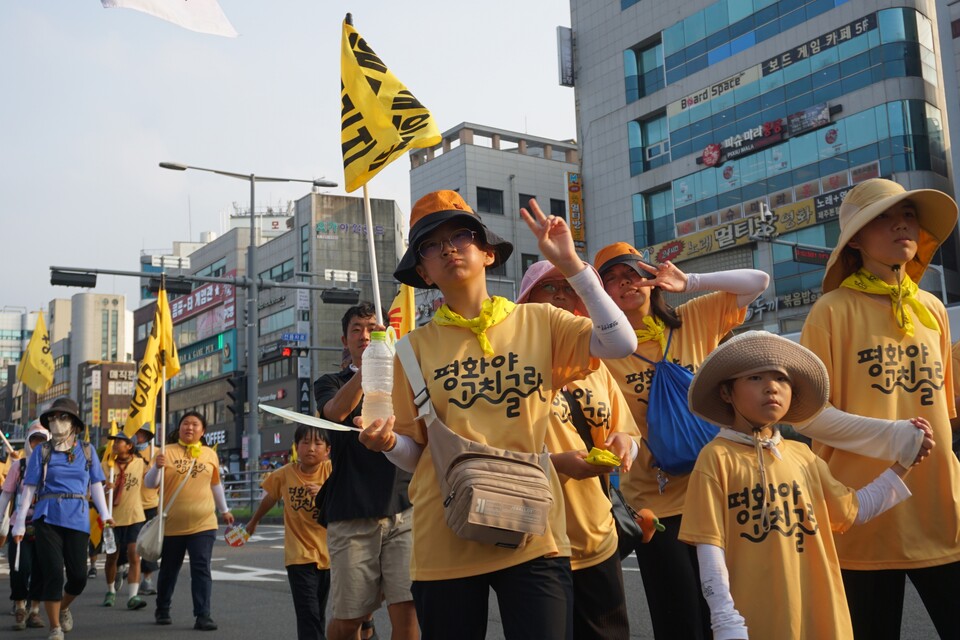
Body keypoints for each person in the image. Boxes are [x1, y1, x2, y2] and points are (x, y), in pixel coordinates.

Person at [360, 191, 638, 639]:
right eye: (431, 245)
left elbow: (620, 343)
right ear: (423, 272)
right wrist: (388, 442)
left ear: (487, 252)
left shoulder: (541, 321)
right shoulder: (409, 350)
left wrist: (572, 266)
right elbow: (418, 456)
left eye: (461, 235)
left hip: (534, 530)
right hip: (445, 533)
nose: (449, 248)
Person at [680, 331, 924, 638]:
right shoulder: (715, 457)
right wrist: (724, 618)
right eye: (755, 378)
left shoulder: (804, 456)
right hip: (753, 621)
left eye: (782, 380)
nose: (772, 387)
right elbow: (709, 546)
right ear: (726, 393)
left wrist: (904, 464)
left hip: (821, 614)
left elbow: (853, 511)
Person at [800, 178, 960, 639]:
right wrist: (891, 437)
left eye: (908, 216)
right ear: (857, 241)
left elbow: (944, 417)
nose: (901, 226)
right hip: (860, 513)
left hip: (939, 513)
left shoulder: (933, 308)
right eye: (884, 219)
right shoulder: (830, 310)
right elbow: (808, 414)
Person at [594, 241, 768, 639]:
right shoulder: (600, 350)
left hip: (718, 490)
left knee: (731, 609)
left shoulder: (693, 319)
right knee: (679, 617)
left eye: (633, 273)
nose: (626, 285)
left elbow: (758, 281)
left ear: (652, 279)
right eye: (613, 280)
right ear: (601, 294)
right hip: (653, 502)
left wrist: (689, 281)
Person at [516, 259, 641, 640]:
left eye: (569, 288)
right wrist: (556, 464)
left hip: (596, 534)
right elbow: (490, 451)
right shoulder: (509, 364)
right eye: (549, 288)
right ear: (526, 303)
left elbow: (625, 430)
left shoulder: (597, 365)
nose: (561, 296)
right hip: (536, 542)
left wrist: (623, 444)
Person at [313, 302, 415, 640]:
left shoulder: (406, 377)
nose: (365, 335)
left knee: (408, 611)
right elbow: (334, 413)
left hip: (404, 507)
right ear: (345, 339)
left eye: (372, 328)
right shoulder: (329, 382)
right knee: (348, 621)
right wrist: (368, 367)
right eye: (356, 330)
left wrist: (393, 364)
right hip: (352, 512)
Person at [10, 397, 112, 640]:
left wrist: (106, 515)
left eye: (63, 417)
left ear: (75, 424)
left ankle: (64, 606)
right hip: (47, 517)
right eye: (53, 418)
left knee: (78, 576)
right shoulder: (42, 452)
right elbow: (29, 489)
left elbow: (96, 485)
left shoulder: (86, 451)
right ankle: (55, 627)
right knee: (53, 572)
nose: (57, 422)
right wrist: (19, 523)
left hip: (78, 516)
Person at [144, 411, 234, 631]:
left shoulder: (209, 455)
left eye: (195, 425)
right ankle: (162, 608)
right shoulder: (166, 451)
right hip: (172, 524)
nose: (190, 428)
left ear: (203, 431)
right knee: (169, 568)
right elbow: (150, 484)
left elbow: (215, 484)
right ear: (179, 428)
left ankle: (203, 615)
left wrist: (224, 509)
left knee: (201, 567)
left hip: (204, 522)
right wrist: (157, 466)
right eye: (186, 424)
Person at [247, 425, 333, 640]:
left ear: (328, 449)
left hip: (329, 554)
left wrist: (325, 494)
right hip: (298, 555)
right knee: (308, 613)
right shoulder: (285, 474)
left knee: (318, 611)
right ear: (296, 447)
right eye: (304, 442)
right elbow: (270, 498)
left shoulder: (332, 471)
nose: (310, 448)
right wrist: (254, 521)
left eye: (317, 443)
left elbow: (348, 502)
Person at [0, 421, 50, 631]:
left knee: (40, 569)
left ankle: (35, 610)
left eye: (42, 441)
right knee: (20, 568)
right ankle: (20, 605)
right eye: (34, 440)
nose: (38, 445)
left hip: (45, 525)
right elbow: (6, 495)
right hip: (18, 525)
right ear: (29, 442)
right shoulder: (18, 466)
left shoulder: (53, 466)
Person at [100, 431, 147, 610]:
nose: (115, 444)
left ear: (129, 446)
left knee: (134, 555)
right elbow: (92, 491)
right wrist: (105, 487)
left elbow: (152, 481)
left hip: (135, 516)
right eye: (114, 442)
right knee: (112, 557)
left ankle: (133, 596)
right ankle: (111, 590)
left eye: (120, 441)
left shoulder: (140, 463)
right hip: (112, 518)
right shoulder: (106, 466)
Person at [132, 426, 158, 595]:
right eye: (136, 433)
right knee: (129, 545)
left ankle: (147, 579)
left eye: (142, 434)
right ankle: (122, 568)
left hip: (151, 504)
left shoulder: (157, 452)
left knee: (149, 543)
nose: (138, 437)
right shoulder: (127, 452)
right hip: (131, 505)